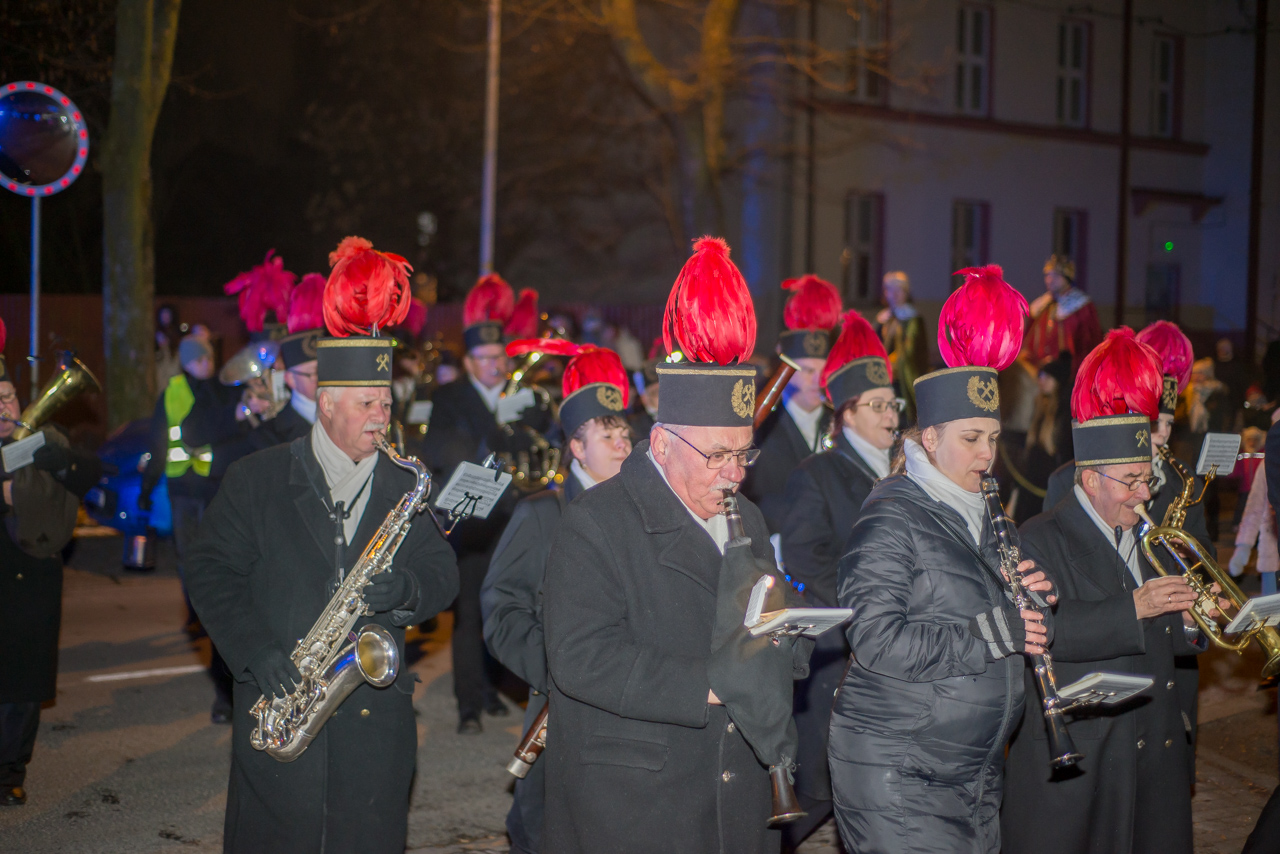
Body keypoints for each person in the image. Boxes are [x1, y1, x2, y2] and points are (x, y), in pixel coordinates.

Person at [183, 237, 459, 854]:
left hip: (375, 727)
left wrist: (408, 590)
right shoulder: (256, 479)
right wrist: (254, 649)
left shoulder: (402, 481)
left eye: (386, 403)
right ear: (326, 404)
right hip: (279, 704)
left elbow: (444, 574)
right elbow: (208, 570)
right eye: (366, 404)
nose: (379, 417)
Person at [542, 237, 810, 853]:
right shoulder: (596, 522)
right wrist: (714, 683)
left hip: (736, 788)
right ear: (661, 445)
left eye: (743, 453)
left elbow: (755, 621)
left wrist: (789, 632)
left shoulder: (748, 513)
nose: (734, 473)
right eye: (717, 455)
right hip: (638, 801)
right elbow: (581, 658)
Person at [830, 265, 1052, 854]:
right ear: (929, 439)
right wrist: (995, 629)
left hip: (971, 771)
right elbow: (875, 639)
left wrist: (1034, 606)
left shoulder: (987, 508)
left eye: (993, 438)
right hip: (900, 770)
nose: (987, 455)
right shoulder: (892, 515)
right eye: (970, 439)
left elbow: (1014, 629)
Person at [1002, 328, 1207, 854]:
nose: (1143, 494)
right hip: (1092, 761)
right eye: (1131, 481)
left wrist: (1191, 622)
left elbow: (1166, 641)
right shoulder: (1039, 537)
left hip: (1153, 754)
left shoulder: (1148, 537)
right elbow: (1046, 632)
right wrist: (1135, 606)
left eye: (1146, 480)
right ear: (1089, 480)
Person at [481, 342, 633, 854]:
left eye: (625, 433)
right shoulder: (543, 513)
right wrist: (555, 668)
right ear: (575, 446)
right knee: (546, 828)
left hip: (632, 709)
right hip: (562, 709)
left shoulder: (644, 512)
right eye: (606, 433)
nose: (621, 444)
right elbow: (501, 608)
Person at [779, 309, 899, 845]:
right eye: (877, 406)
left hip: (897, 648)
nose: (890, 415)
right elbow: (806, 561)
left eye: (893, 403)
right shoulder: (819, 475)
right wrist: (868, 611)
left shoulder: (908, 472)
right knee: (818, 789)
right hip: (841, 649)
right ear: (847, 414)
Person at [423, 274, 546, 732]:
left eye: (499, 356)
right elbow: (445, 452)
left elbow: (542, 449)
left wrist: (531, 417)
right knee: (471, 610)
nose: (494, 365)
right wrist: (499, 427)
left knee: (513, 607)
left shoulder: (524, 395)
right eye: (484, 358)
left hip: (517, 514)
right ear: (470, 361)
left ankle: (498, 690)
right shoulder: (449, 397)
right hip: (474, 518)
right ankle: (468, 703)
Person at [0, 336, 102, 807]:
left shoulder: (44, 435)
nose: (5, 404)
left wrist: (60, 461)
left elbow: (89, 475)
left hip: (33, 572)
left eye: (8, 395)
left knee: (22, 686)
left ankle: (9, 773)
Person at [139, 332, 251, 722]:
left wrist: (148, 486)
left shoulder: (219, 388)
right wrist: (149, 485)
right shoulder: (182, 392)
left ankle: (198, 609)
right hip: (189, 489)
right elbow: (162, 438)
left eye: (208, 358)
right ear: (192, 361)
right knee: (193, 559)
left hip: (202, 487)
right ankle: (198, 609)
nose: (207, 364)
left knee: (199, 559)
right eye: (202, 358)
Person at [743, 275, 842, 534]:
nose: (817, 381)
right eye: (807, 370)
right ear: (786, 369)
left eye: (823, 371)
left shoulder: (840, 423)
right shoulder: (758, 423)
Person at [248, 273, 325, 450]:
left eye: (323, 370)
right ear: (289, 379)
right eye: (312, 373)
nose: (320, 379)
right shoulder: (269, 434)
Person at [1022, 254, 1102, 376]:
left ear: (1066, 277)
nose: (1050, 279)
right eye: (1048, 275)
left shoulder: (1082, 306)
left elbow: (1089, 342)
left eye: (1055, 275)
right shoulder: (1041, 306)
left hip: (1066, 373)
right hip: (1038, 372)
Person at [874, 271, 929, 423]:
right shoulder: (882, 319)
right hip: (884, 379)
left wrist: (891, 363)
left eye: (900, 290)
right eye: (891, 290)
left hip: (903, 380)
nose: (895, 295)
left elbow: (912, 351)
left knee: (903, 418)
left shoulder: (912, 319)